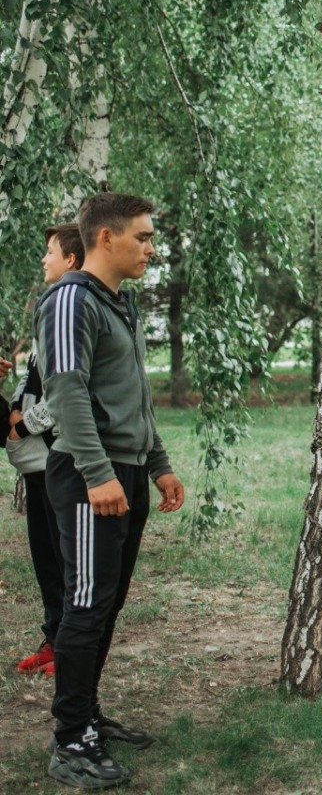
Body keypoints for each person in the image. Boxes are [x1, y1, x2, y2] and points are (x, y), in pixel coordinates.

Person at [36, 193, 185, 789]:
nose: (151, 248)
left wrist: (159, 463)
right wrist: (98, 474)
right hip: (88, 475)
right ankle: (70, 739)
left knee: (106, 604)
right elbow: (67, 391)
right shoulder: (70, 298)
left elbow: (130, 395)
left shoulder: (115, 302)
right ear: (105, 238)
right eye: (143, 237)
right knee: (86, 605)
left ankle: (87, 716)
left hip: (123, 473)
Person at [8, 223, 86, 678]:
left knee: (65, 554)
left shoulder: (69, 313)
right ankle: (54, 637)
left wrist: (25, 424)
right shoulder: (48, 309)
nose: (44, 259)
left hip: (64, 457)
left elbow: (68, 392)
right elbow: (36, 374)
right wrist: (17, 406)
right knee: (44, 554)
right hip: (40, 463)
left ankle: (71, 646)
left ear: (72, 260)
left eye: (50, 252)